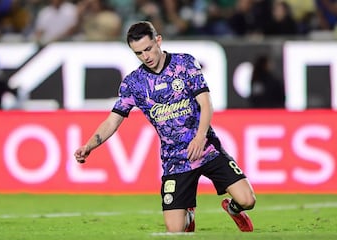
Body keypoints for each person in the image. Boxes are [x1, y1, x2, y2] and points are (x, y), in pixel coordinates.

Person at [74, 21, 256, 233]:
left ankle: (233, 209)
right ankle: (188, 213)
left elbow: (205, 103)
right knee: (176, 230)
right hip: (175, 160)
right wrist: (89, 146)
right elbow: (113, 120)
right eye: (139, 53)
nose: (146, 57)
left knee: (247, 200)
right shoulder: (134, 83)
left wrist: (199, 138)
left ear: (158, 40)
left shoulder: (184, 64)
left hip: (206, 149)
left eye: (148, 49)